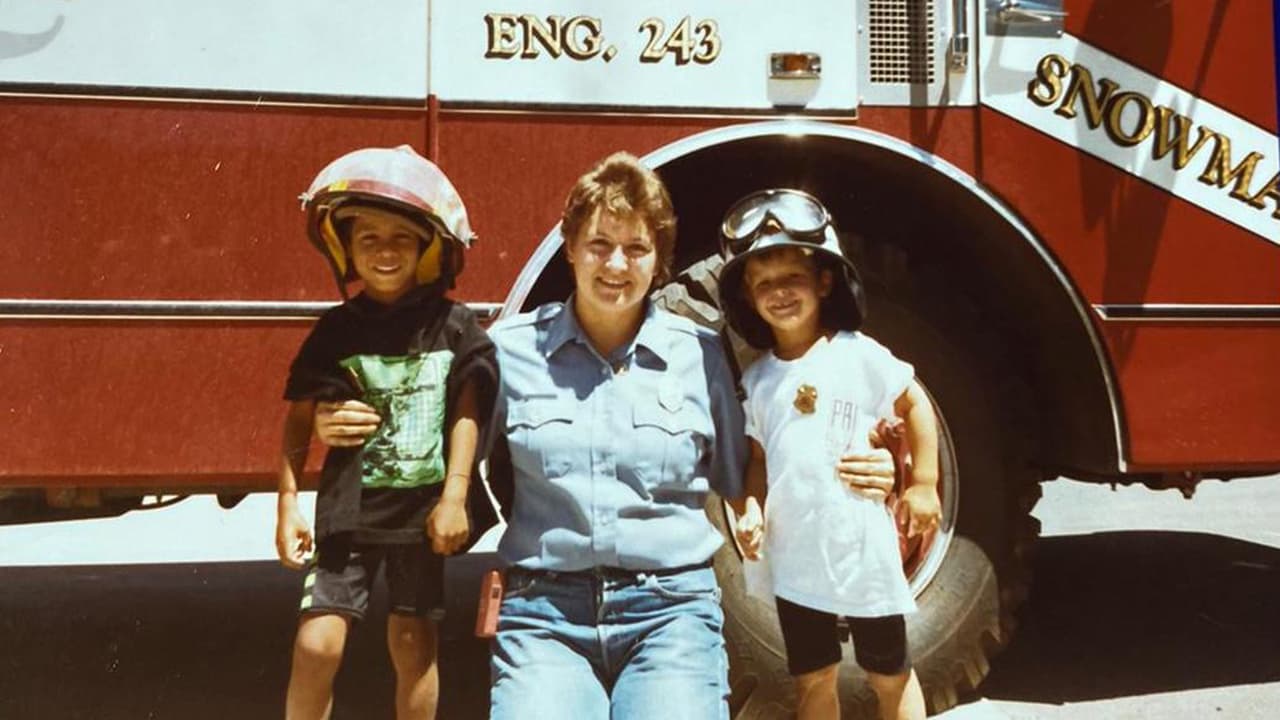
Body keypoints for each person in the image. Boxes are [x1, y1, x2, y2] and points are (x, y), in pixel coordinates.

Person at [483, 152, 747, 719]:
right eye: (600, 244)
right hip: (543, 615)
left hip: (671, 611)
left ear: (659, 261)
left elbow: (744, 471)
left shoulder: (700, 356)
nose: (616, 265)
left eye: (636, 248)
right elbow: (446, 453)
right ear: (571, 247)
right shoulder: (509, 351)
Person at [275, 145, 498, 720]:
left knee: (412, 643)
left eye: (402, 237)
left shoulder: (453, 326)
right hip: (346, 516)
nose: (384, 251)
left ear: (430, 249)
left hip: (420, 518)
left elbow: (468, 413)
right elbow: (300, 414)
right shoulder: (335, 329)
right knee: (316, 643)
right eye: (367, 238)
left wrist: (454, 497)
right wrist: (287, 504)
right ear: (344, 247)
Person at [717, 189, 942, 720]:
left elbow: (917, 405)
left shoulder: (857, 353)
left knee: (890, 673)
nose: (779, 293)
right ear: (748, 298)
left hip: (861, 551)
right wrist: (749, 508)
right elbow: (757, 460)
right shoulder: (757, 379)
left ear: (824, 280)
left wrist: (923, 483)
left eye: (792, 278)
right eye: (764, 283)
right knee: (812, 678)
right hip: (796, 559)